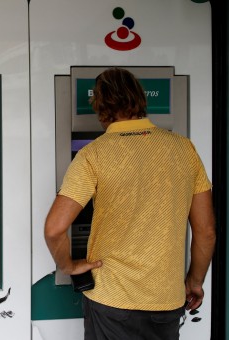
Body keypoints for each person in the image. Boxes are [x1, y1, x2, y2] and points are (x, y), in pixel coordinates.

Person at [44, 67, 216, 339]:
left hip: (111, 297)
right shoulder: (184, 149)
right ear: (141, 100)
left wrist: (68, 266)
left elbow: (54, 228)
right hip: (166, 299)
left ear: (100, 107)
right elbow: (206, 232)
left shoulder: (93, 154)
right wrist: (195, 282)